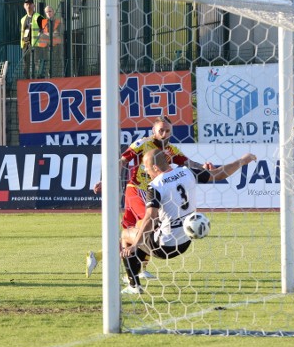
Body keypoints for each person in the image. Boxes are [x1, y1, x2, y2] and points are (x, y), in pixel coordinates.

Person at [87, 116, 215, 280]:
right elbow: (122, 161)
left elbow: (189, 164)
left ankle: (103, 259)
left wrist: (203, 167)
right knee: (151, 225)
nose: (164, 133)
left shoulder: (171, 150)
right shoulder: (142, 144)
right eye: (161, 130)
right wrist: (106, 179)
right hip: (137, 190)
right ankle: (133, 274)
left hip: (152, 193)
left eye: (167, 130)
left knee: (133, 233)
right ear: (153, 130)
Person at [118, 148, 257, 293]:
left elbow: (150, 217)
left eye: (146, 168)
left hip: (165, 246)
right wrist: (242, 160)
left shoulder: (155, 186)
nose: (146, 172)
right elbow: (219, 174)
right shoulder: (186, 172)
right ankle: (138, 271)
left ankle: (134, 285)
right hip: (185, 240)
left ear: (155, 167)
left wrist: (135, 245)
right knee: (142, 229)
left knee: (126, 234)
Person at [19, 0, 44, 79]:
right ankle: (27, 82)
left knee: (36, 65)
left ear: (34, 6)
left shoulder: (38, 17)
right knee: (26, 66)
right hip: (26, 45)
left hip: (36, 45)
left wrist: (41, 33)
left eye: (30, 4)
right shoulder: (23, 19)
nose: (28, 6)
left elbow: (46, 28)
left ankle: (37, 81)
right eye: (27, 4)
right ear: (24, 6)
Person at [38, 5, 63, 77]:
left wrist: (45, 35)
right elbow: (39, 35)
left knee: (56, 66)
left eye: (50, 11)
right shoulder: (43, 22)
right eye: (46, 12)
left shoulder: (58, 22)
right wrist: (51, 35)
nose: (48, 13)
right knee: (45, 67)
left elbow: (56, 34)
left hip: (56, 47)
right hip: (45, 48)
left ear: (54, 12)